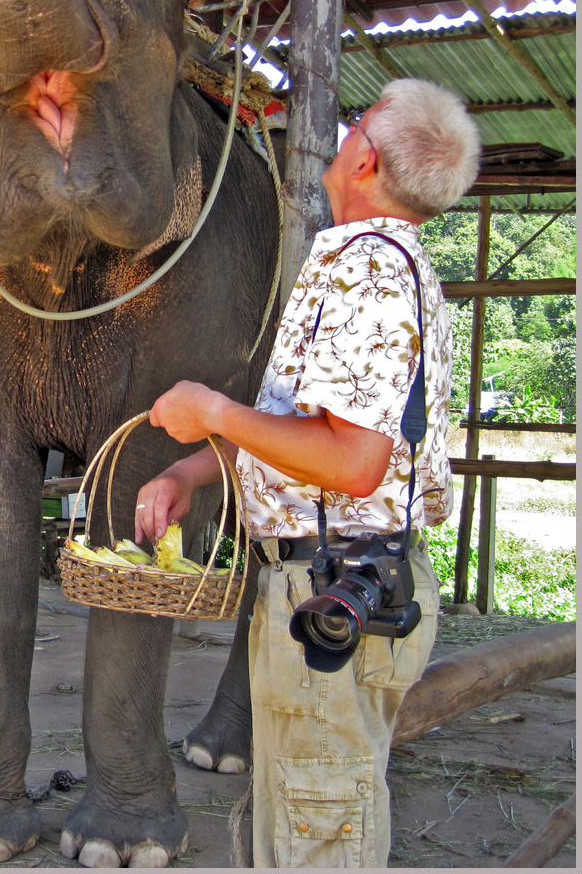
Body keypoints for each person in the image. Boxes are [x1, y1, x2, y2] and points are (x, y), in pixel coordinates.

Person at [134, 78, 481, 867]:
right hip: (327, 579)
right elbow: (302, 434)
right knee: (303, 816)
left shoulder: (370, 274)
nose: (346, 131)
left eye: (358, 122)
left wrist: (216, 412)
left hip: (336, 584)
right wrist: (193, 471)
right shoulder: (375, 264)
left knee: (321, 830)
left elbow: (354, 464)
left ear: (364, 158)